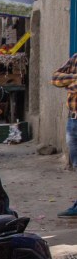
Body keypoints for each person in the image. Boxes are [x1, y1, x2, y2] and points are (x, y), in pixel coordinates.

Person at [51, 52, 77, 217]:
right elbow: (55, 78)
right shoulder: (75, 58)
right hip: (73, 121)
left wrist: (71, 83)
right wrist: (75, 78)